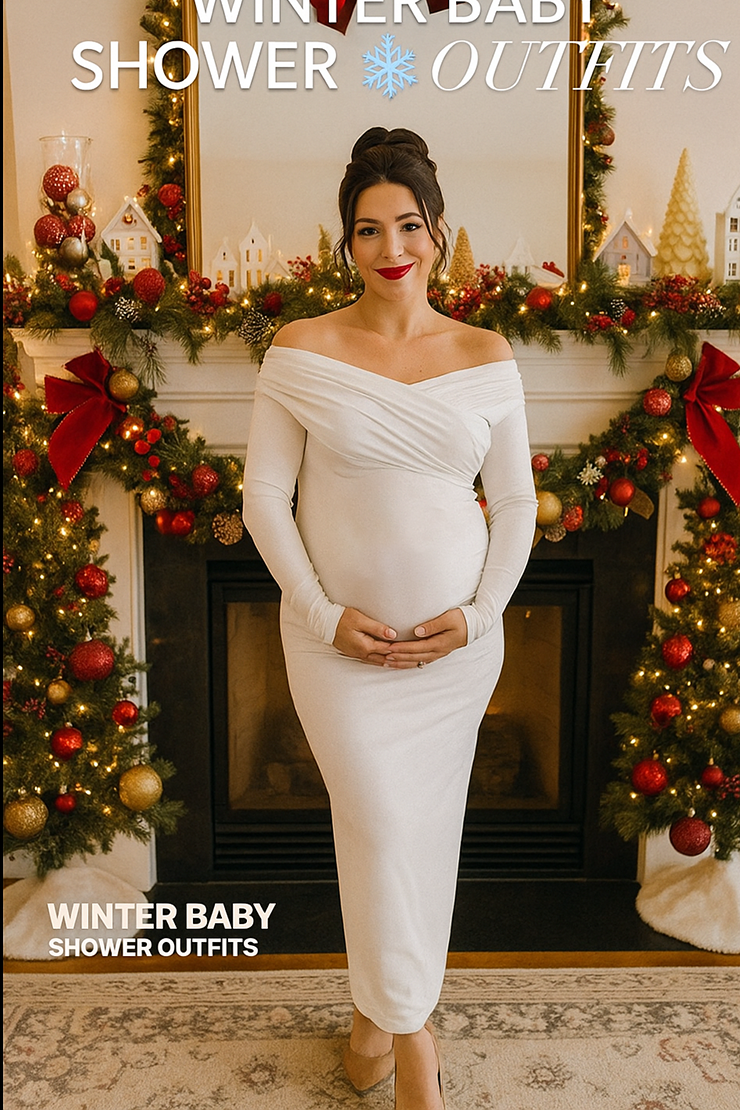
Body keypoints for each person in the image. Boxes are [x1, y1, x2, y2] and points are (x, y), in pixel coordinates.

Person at [242, 127, 538, 1109]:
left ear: (438, 230)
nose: (390, 247)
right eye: (367, 230)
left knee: (422, 836)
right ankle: (416, 1043)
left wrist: (481, 615)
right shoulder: (302, 347)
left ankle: (376, 1019)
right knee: (375, 826)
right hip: (336, 649)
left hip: (455, 654)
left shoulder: (484, 353)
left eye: (407, 225)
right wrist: (322, 614)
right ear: (346, 243)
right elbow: (263, 498)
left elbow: (516, 503)